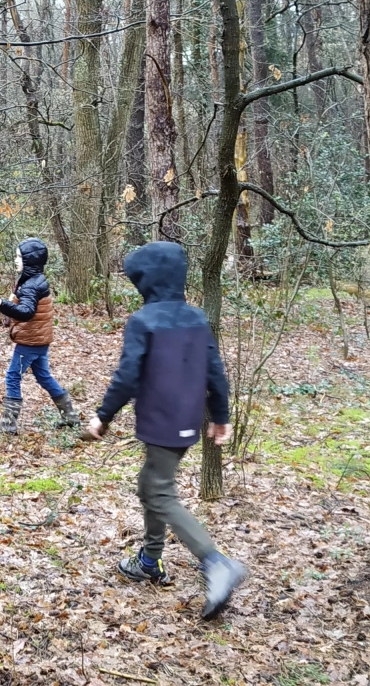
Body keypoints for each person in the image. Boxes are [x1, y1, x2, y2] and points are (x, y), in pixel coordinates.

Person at [85, 240, 249, 620]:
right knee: (152, 486)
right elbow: (216, 374)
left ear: (147, 281)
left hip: (162, 420)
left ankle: (215, 562)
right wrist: (220, 417)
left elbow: (127, 375)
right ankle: (149, 560)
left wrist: (103, 416)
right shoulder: (197, 318)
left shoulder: (144, 321)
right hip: (186, 421)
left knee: (157, 492)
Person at [0, 238, 80, 434]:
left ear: (31, 260)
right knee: (43, 376)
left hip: (31, 340)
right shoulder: (36, 280)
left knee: (12, 376)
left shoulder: (30, 286)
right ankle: (70, 416)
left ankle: (8, 424)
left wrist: (1, 304)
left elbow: (26, 312)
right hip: (40, 339)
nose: (15, 260)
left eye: (19, 257)